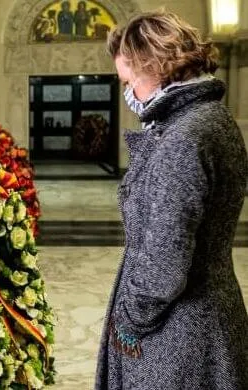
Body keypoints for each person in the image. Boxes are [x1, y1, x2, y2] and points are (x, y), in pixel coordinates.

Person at [95, 10, 248, 390]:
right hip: (208, 317)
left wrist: (129, 322)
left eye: (128, 80)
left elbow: (164, 263)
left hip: (179, 334)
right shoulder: (211, 118)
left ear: (152, 66)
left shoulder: (183, 137)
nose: (128, 91)